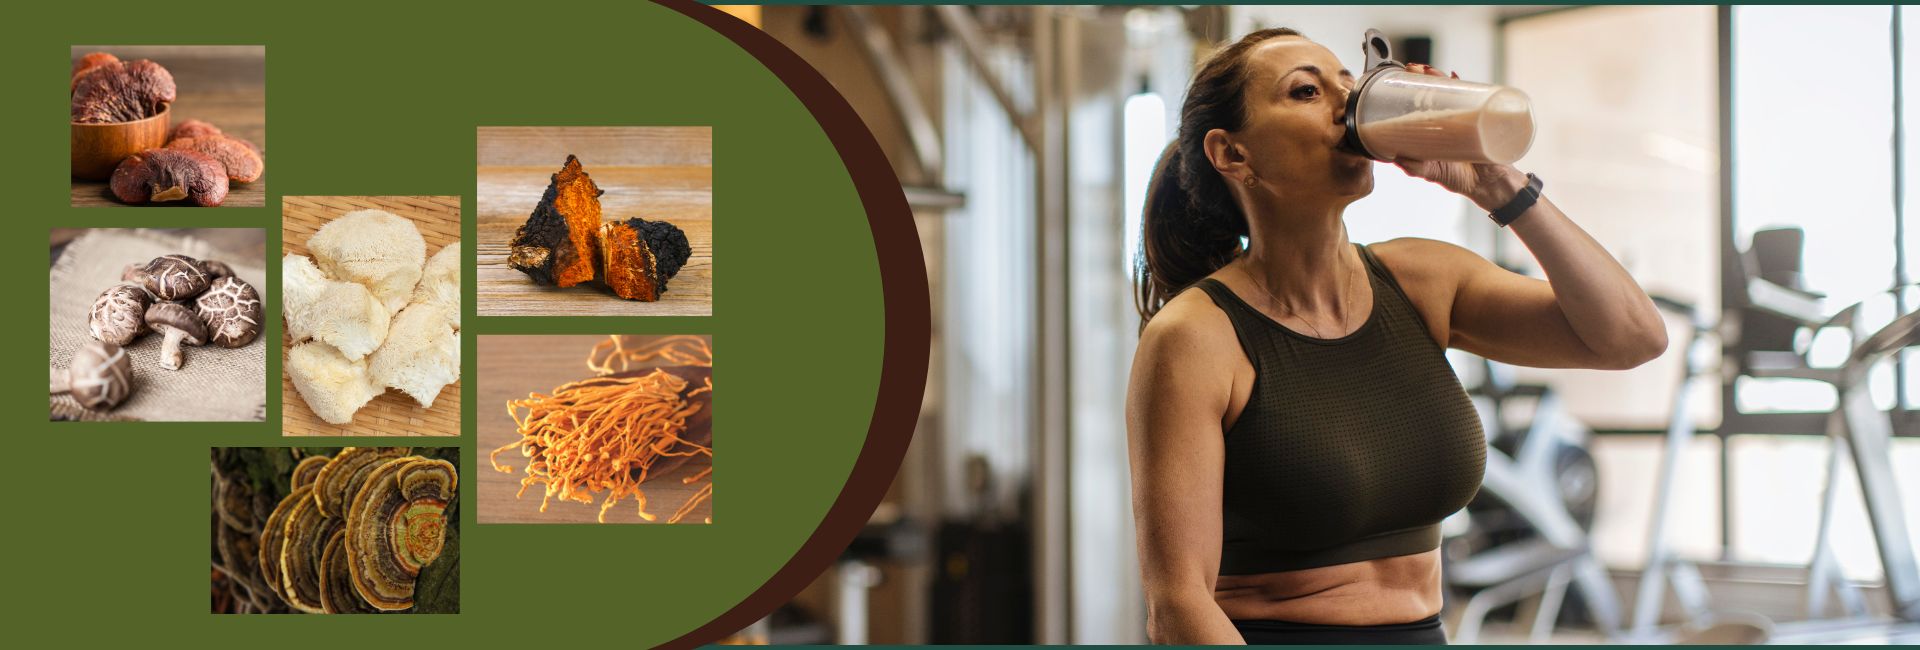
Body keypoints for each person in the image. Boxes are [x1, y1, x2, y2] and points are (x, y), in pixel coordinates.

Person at [1125, 27, 1667, 645]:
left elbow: (1631, 337)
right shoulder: (1194, 337)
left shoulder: (1421, 279)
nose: (1346, 106)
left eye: (1348, 87)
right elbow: (1177, 607)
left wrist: (1500, 185)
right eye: (1305, 91)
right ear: (1233, 154)